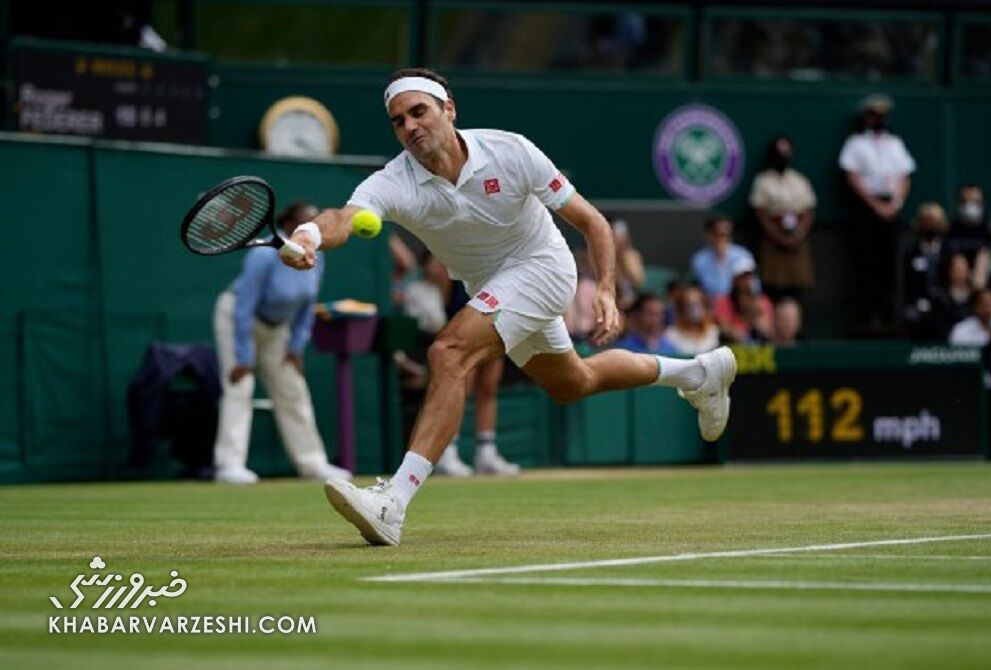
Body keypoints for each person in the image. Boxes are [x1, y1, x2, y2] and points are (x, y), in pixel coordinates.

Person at [281, 68, 737, 546]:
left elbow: (593, 222)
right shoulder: (394, 181)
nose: (410, 126)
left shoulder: (511, 151)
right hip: (492, 286)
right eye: (399, 121)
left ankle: (392, 503)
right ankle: (697, 374)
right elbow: (343, 219)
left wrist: (606, 289)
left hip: (543, 267)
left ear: (448, 110)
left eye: (419, 112)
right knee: (573, 382)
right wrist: (309, 235)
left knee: (448, 352)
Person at [212, 202, 351, 485]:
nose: (311, 226)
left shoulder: (316, 256)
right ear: (288, 225)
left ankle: (313, 464)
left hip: (277, 329)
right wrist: (243, 357)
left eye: (314, 220)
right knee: (240, 386)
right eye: (304, 221)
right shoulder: (263, 256)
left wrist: (295, 347)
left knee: (293, 389)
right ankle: (229, 465)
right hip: (238, 319)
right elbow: (244, 307)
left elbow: (307, 305)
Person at [404, 252, 518, 476]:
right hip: (464, 313)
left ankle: (486, 452)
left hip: (496, 312)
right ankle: (447, 451)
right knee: (461, 386)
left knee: (488, 386)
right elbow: (437, 271)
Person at [838, 93, 916, 333]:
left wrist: (896, 203)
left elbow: (905, 176)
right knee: (867, 262)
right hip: (867, 209)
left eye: (882, 116)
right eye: (875, 115)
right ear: (867, 117)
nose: (879, 120)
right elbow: (852, 176)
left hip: (892, 207)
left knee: (888, 262)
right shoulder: (856, 143)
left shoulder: (895, 143)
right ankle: (868, 317)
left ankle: (889, 316)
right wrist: (875, 205)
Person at [748, 135, 817, 300]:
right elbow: (760, 212)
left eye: (786, 153)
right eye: (779, 153)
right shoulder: (763, 181)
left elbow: (809, 210)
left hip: (797, 237)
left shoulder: (799, 179)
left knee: (797, 284)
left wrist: (799, 234)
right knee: (774, 286)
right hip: (774, 238)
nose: (783, 157)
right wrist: (778, 237)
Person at [901, 202, 949, 340]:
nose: (930, 226)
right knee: (912, 316)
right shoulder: (911, 251)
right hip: (918, 301)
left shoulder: (948, 250)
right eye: (927, 222)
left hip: (944, 300)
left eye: (934, 222)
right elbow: (908, 282)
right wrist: (918, 301)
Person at [689, 215, 755, 299]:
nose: (723, 238)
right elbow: (698, 288)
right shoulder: (699, 259)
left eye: (727, 234)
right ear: (709, 235)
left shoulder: (742, 255)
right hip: (710, 302)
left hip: (737, 302)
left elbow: (750, 287)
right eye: (719, 234)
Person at [714, 257, 774, 344]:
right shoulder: (723, 301)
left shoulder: (763, 301)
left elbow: (767, 328)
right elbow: (723, 327)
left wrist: (755, 313)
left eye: (750, 276)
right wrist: (740, 335)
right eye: (743, 277)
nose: (747, 280)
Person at [665, 284, 721, 355]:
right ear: (681, 309)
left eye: (699, 304)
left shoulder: (714, 332)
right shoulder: (671, 335)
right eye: (689, 305)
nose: (695, 310)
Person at [611, 218, 646, 310]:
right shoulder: (598, 256)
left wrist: (622, 260)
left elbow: (638, 282)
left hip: (629, 302)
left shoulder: (632, 256)